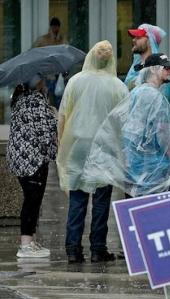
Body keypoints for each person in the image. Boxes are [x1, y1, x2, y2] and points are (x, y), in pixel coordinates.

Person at [57, 41, 129, 264]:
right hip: (104, 148)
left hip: (78, 145)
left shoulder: (75, 82)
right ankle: (98, 248)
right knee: (101, 199)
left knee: (77, 198)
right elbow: (126, 121)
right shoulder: (118, 86)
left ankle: (73, 248)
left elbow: (62, 116)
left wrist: (61, 144)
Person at [83, 53, 170, 198]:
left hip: (135, 166)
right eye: (166, 67)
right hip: (154, 168)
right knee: (154, 214)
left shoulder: (136, 92)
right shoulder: (156, 97)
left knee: (135, 212)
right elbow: (161, 132)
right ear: (153, 70)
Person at [6, 75, 57, 258]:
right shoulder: (35, 100)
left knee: (32, 200)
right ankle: (26, 244)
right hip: (32, 160)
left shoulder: (19, 99)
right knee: (32, 200)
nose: (45, 81)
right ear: (37, 83)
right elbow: (44, 133)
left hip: (21, 159)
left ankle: (31, 241)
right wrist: (54, 118)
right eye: (42, 79)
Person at [124, 24, 170, 102]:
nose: (133, 40)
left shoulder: (160, 70)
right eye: (134, 37)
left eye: (138, 37)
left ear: (150, 41)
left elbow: (159, 103)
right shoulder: (135, 68)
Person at [32, 17, 66, 108]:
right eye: (54, 27)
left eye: (57, 27)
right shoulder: (43, 40)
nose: (55, 29)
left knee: (58, 100)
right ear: (51, 27)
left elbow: (65, 55)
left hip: (57, 75)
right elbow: (33, 52)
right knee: (47, 100)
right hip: (46, 75)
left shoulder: (62, 40)